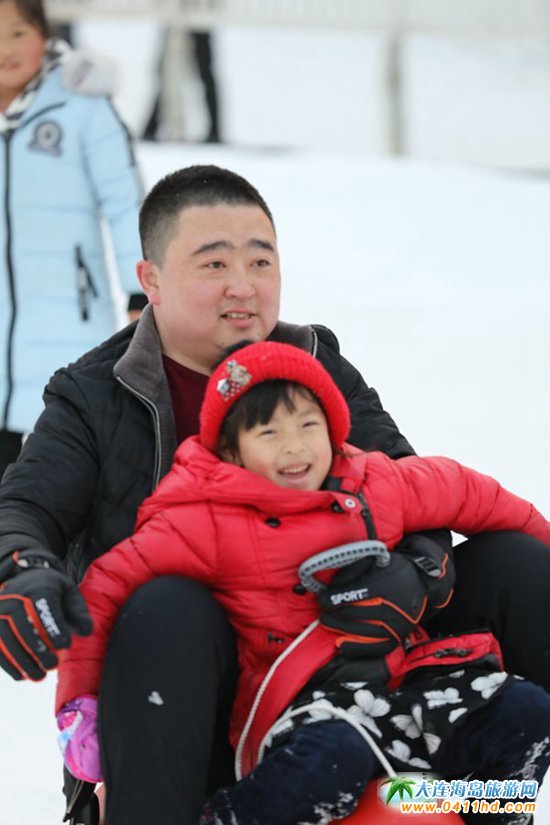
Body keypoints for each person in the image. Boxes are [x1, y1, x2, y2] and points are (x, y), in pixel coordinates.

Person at [0, 164, 548, 824]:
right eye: (214, 264)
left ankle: (473, 804)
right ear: (152, 281)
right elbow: (25, 509)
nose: (244, 286)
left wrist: (417, 563)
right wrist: (21, 568)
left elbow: (407, 481)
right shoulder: (93, 395)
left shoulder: (313, 365)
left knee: (516, 563)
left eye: (260, 261)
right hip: (188, 711)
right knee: (169, 605)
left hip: (352, 681)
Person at [55, 340, 550, 825]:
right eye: (269, 432)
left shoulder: (376, 484)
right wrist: (80, 705)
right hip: (299, 716)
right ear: (231, 449)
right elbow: (107, 590)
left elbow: (475, 496)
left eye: (308, 425)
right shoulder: (203, 518)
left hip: (399, 690)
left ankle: (482, 812)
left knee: (524, 710)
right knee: (333, 758)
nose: (294, 446)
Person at [0, 0, 144, 474]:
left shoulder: (81, 105)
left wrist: (140, 290)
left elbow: (126, 202)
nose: (6, 50)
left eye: (18, 33)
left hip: (69, 315)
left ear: (45, 34)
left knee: (56, 454)